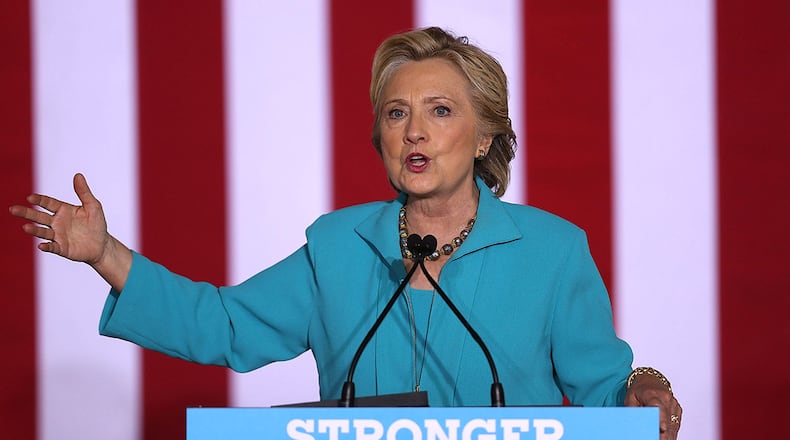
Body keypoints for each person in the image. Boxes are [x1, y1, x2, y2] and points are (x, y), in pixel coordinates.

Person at [9, 27, 682, 438]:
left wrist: (641, 387)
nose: (413, 130)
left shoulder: (552, 251)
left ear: (484, 137)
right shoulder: (338, 249)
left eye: (439, 111)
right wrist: (106, 255)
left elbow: (606, 395)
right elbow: (225, 326)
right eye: (396, 113)